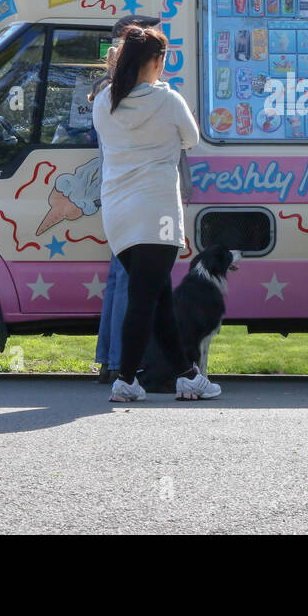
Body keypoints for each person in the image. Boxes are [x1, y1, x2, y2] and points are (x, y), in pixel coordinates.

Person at [92, 26, 219, 402]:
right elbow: (191, 139)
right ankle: (127, 378)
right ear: (157, 61)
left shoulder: (104, 102)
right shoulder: (168, 101)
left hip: (118, 213)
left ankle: (186, 374)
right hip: (158, 212)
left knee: (158, 295)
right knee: (145, 298)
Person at [91, 14, 160, 386]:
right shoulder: (136, 92)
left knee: (120, 277)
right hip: (140, 194)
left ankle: (110, 358)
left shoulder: (108, 90)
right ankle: (120, 362)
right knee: (131, 279)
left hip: (118, 193)